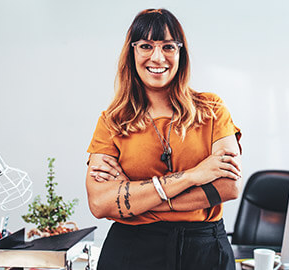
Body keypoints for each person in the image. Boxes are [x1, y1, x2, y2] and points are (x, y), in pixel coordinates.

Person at [85, 8, 242, 270]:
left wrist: (136, 199)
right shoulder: (112, 121)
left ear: (181, 53)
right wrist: (194, 176)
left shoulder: (212, 109)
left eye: (168, 46)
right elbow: (100, 203)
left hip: (204, 252)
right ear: (132, 52)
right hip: (132, 252)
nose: (158, 57)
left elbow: (227, 187)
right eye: (146, 45)